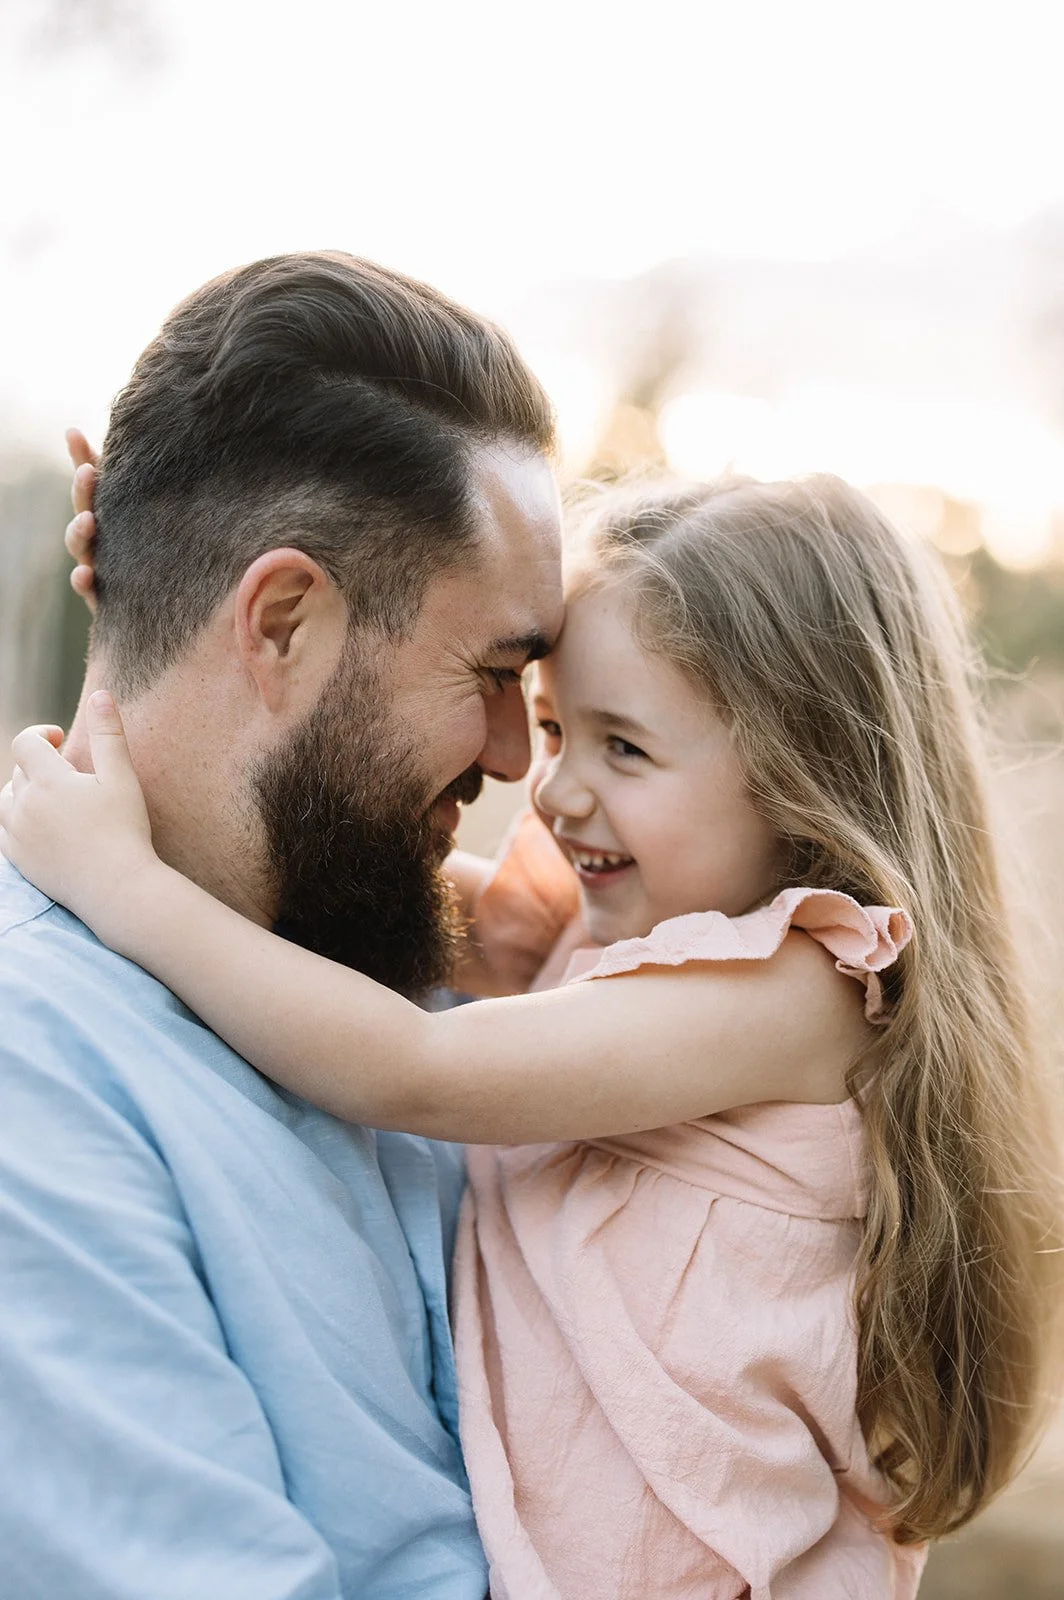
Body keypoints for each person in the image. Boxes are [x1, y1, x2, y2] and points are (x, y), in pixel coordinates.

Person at [7, 477, 1061, 1598]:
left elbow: (406, 1067)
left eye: (625, 748)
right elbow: (334, 887)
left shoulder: (801, 988)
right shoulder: (613, 931)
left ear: (807, 775)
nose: (554, 789)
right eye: (557, 726)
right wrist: (172, 554)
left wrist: (119, 881)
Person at [0, 250, 567, 1599]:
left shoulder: (405, 972)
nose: (514, 757)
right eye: (493, 672)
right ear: (286, 622)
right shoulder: (36, 1087)